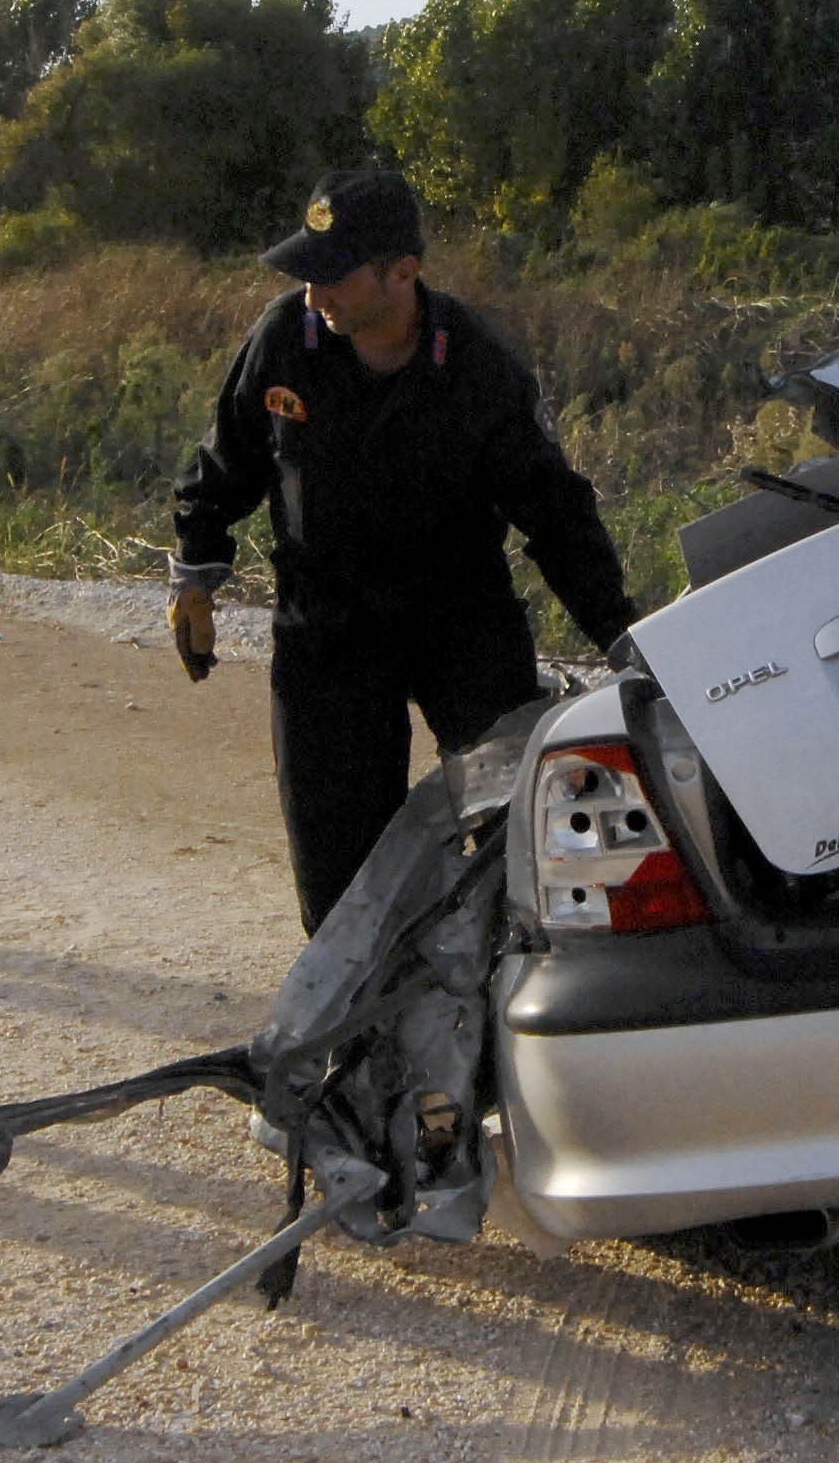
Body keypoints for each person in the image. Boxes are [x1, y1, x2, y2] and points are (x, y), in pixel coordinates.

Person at [171, 165, 641, 930]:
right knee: (341, 879)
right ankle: (365, 1036)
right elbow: (227, 461)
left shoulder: (479, 368)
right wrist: (195, 573)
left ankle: (508, 1009)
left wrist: (622, 635)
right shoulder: (285, 340)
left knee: (518, 836)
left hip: (459, 620)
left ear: (403, 273)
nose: (314, 294)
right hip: (326, 627)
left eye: (333, 275)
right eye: (307, 273)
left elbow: (556, 515)